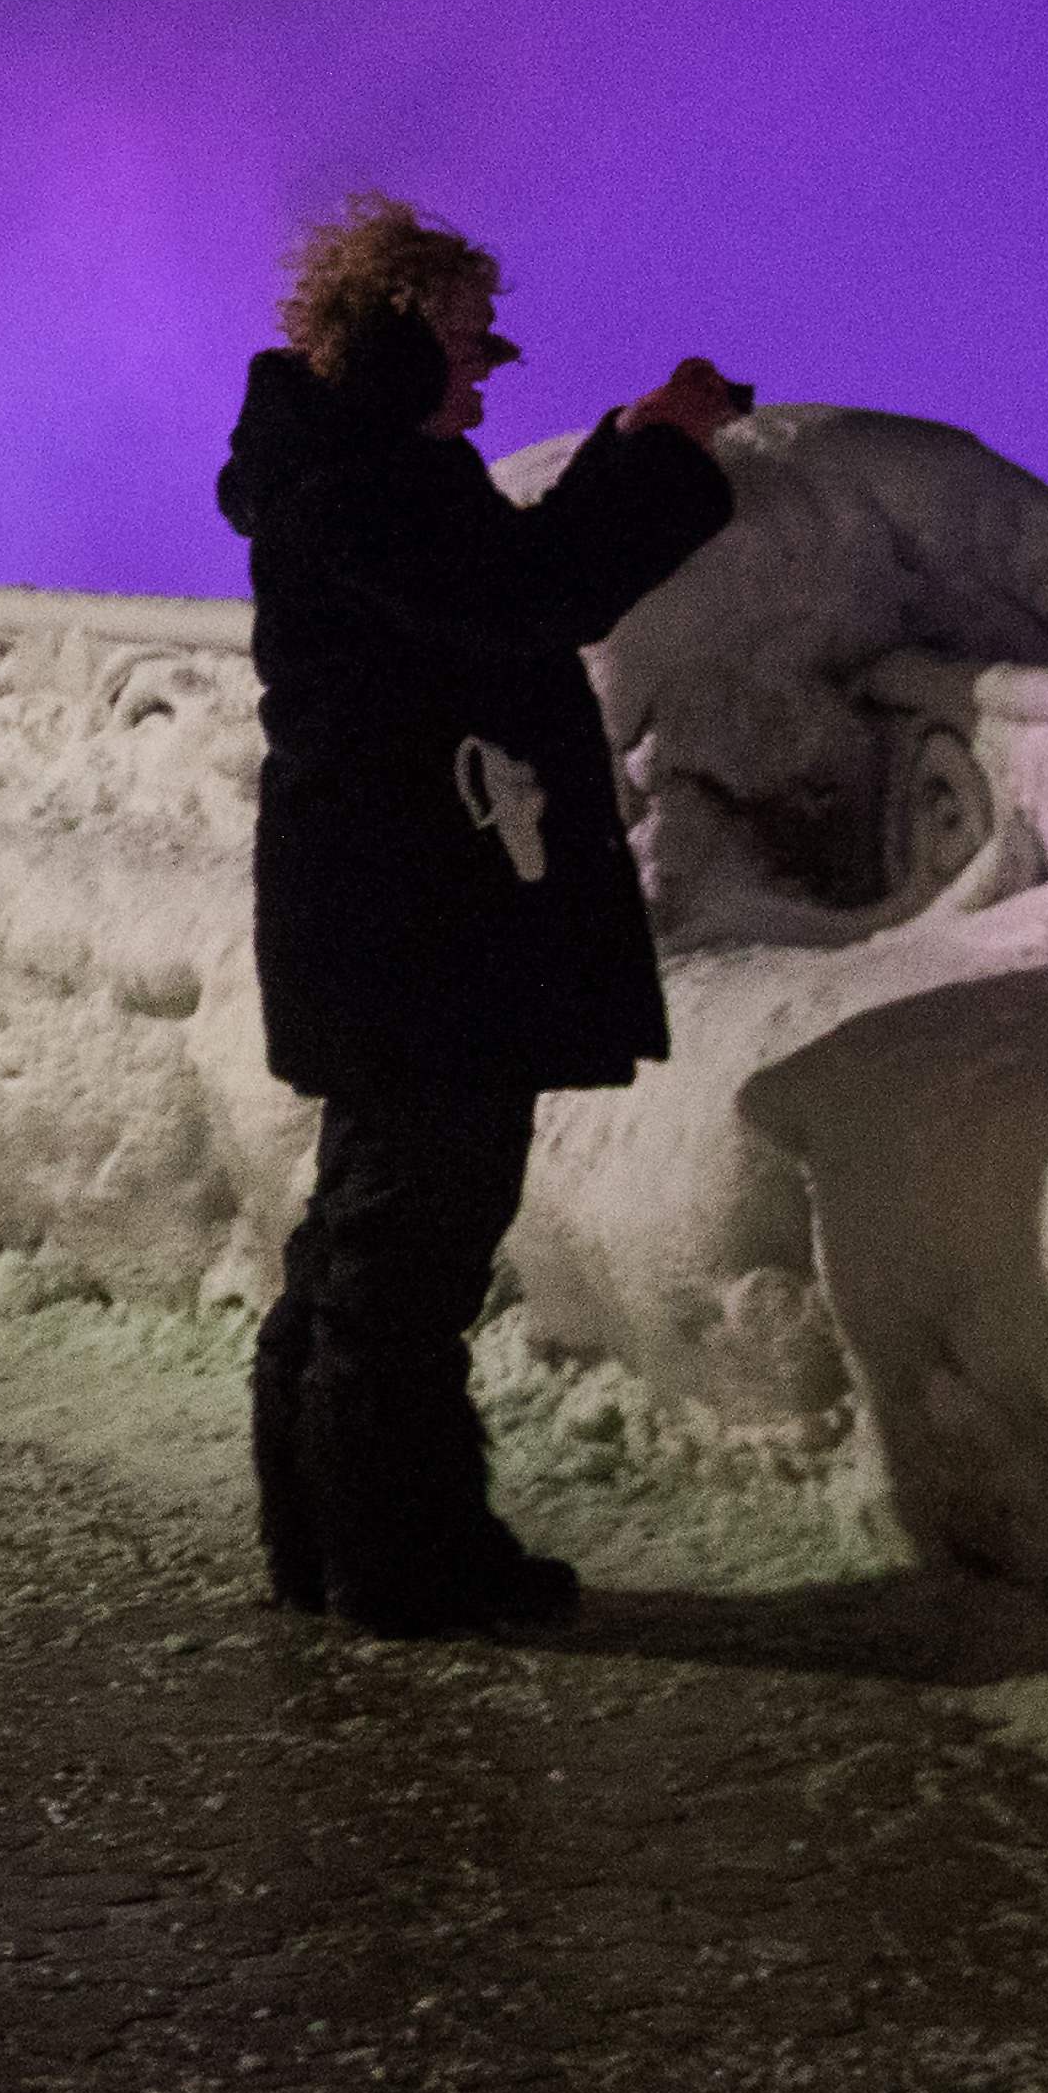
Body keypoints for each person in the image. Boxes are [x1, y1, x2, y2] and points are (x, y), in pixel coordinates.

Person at [215, 196, 750, 1637]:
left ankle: (333, 1540)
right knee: (408, 1246)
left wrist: (632, 446)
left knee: (366, 1235)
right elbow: (529, 597)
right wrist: (669, 458)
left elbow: (507, 585)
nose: (489, 368)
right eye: (462, 338)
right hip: (414, 926)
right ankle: (403, 1559)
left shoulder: (355, 466)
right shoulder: (359, 483)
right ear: (386, 341)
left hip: (395, 914)